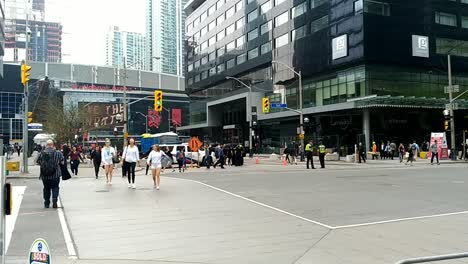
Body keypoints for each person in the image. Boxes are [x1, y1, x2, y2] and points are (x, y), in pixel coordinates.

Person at [37, 140, 64, 209]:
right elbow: (62, 162)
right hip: (55, 174)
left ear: (46, 145)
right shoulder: (58, 153)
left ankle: (46, 202)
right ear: (52, 145)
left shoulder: (41, 153)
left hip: (44, 175)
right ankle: (54, 199)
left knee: (46, 188)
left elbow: (38, 162)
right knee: (55, 187)